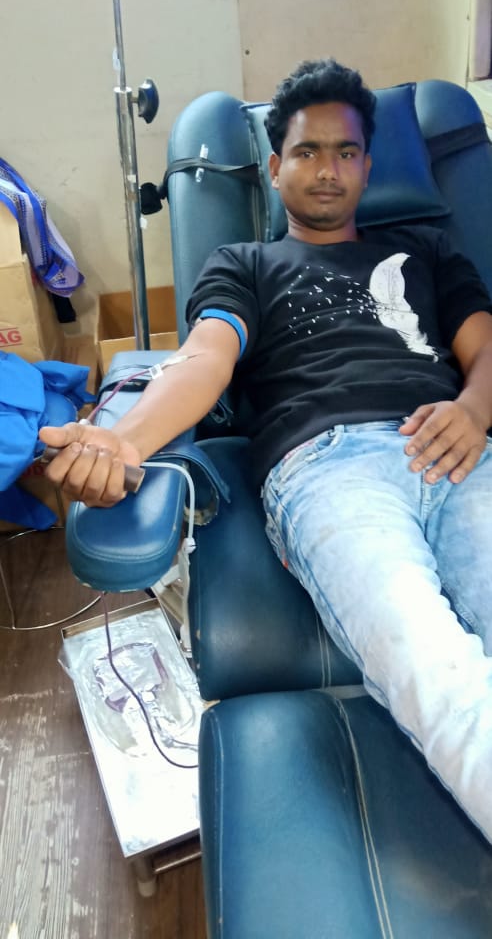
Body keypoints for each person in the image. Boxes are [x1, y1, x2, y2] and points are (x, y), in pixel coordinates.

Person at [41, 58, 492, 843]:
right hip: (331, 467)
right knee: (435, 668)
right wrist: (125, 441)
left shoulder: (425, 251)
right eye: (307, 152)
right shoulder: (246, 264)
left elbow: (484, 350)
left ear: (369, 167)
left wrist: (475, 410)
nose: (328, 170)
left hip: (459, 450)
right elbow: (204, 360)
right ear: (275, 167)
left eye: (346, 152)